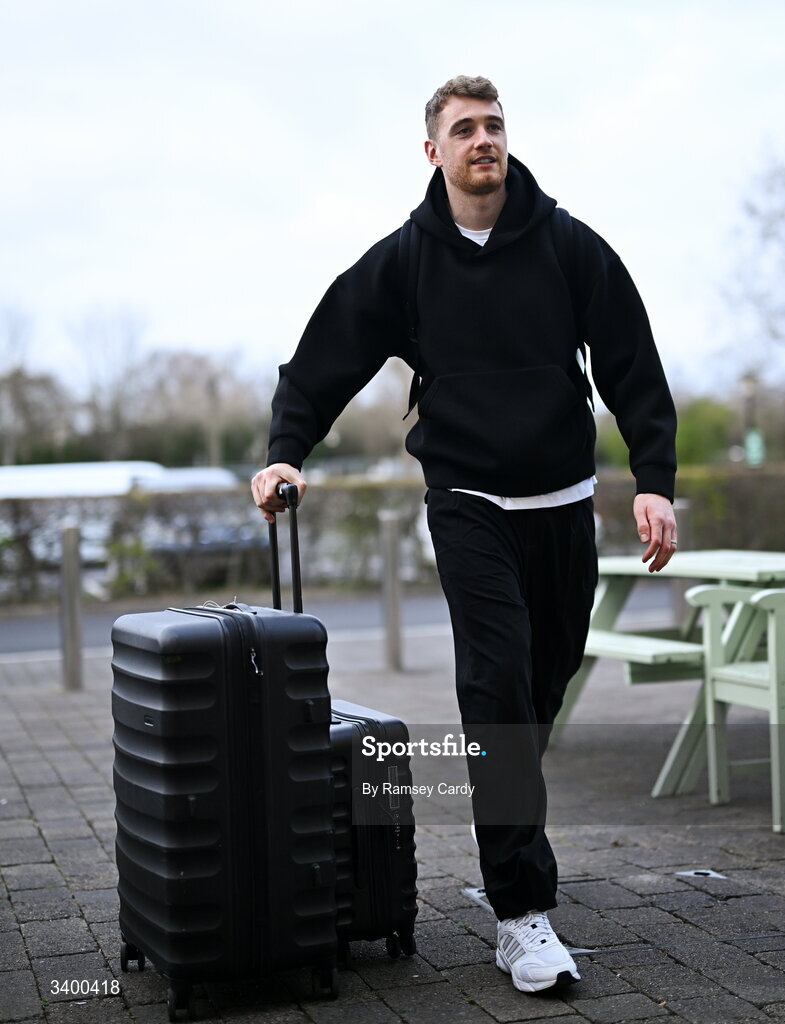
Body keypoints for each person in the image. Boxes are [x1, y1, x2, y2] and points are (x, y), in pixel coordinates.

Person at [251, 75, 677, 995]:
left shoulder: (567, 246)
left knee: (538, 687)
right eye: (463, 129)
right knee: (496, 689)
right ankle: (520, 912)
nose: (482, 139)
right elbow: (324, 357)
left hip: (563, 503)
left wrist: (654, 482)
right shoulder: (404, 261)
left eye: (493, 125)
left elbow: (633, 365)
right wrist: (285, 452)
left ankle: (506, 806)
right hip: (468, 501)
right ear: (433, 150)